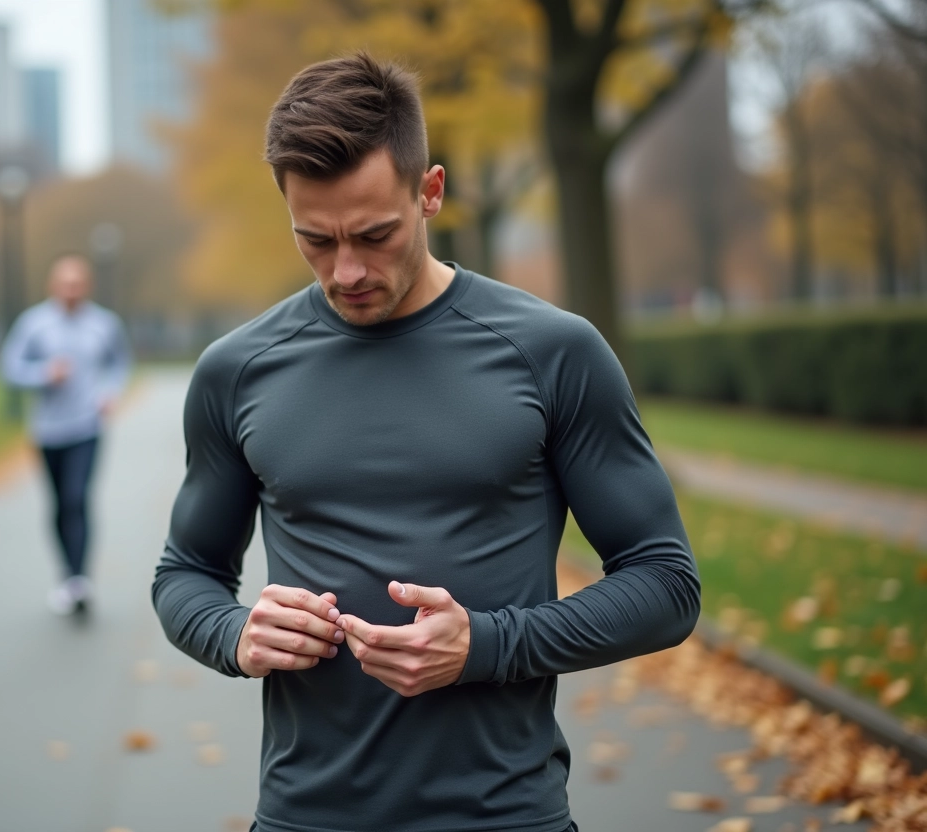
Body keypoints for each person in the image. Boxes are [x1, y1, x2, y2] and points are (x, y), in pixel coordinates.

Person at [152, 53, 700, 832]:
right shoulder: (236, 371)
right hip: (305, 816)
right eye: (316, 240)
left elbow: (666, 585)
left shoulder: (553, 352)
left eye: (375, 235)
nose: (347, 272)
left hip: (506, 816)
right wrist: (233, 631)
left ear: (430, 192)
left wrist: (486, 645)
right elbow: (187, 573)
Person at [0, 254, 132, 615]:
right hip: (47, 429)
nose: (71, 291)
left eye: (77, 284)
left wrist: (110, 392)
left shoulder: (104, 324)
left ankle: (79, 580)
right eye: (65, 284)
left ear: (86, 287)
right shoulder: (34, 324)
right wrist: (44, 373)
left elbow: (120, 362)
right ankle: (67, 574)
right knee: (59, 504)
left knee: (77, 498)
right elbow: (9, 368)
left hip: (87, 426)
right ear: (53, 286)